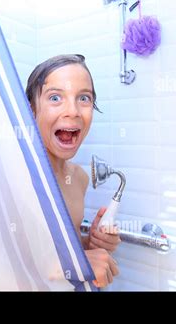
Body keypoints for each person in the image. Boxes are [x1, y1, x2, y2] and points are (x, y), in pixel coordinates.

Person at [26, 54, 120, 288]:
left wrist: (92, 244)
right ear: (31, 110)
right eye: (55, 97)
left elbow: (67, 249)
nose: (74, 111)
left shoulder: (79, 178)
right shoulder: (16, 176)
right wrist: (78, 264)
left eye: (84, 98)